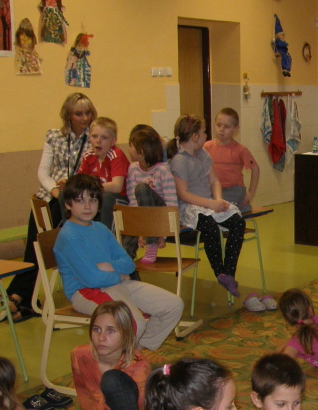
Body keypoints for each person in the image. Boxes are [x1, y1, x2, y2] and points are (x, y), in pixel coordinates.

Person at [54, 174, 184, 351]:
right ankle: (122, 360)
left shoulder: (100, 228)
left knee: (173, 306)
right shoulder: (68, 236)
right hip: (87, 291)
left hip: (114, 284)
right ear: (68, 204)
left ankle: (134, 353)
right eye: (80, 200)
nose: (87, 206)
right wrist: (119, 276)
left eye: (93, 200)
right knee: (135, 322)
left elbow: (128, 264)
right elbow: (92, 279)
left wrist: (111, 267)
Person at [8, 92, 97, 321]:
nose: (85, 118)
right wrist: (55, 191)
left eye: (88, 113)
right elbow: (42, 172)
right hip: (51, 195)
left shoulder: (95, 138)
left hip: (76, 199)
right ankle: (23, 296)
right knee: (34, 244)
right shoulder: (54, 136)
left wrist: (67, 192)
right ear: (68, 115)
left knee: (41, 245)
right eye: (78, 114)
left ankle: (19, 295)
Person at [168, 114, 245, 299]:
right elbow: (183, 194)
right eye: (203, 132)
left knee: (238, 222)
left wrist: (218, 200)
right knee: (210, 228)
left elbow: (214, 181)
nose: (206, 136)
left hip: (209, 202)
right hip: (191, 206)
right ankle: (219, 272)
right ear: (195, 136)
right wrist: (211, 204)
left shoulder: (203, 154)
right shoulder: (180, 159)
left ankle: (228, 273)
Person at [70, 301, 151, 410]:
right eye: (96, 329)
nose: (101, 337)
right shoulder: (80, 355)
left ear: (126, 334)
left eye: (111, 331)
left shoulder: (138, 366)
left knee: (111, 380)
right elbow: (86, 401)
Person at [123, 125, 177, 263]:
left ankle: (151, 243)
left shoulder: (163, 170)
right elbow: (133, 202)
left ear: (141, 152)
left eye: (131, 146)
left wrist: (163, 234)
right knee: (127, 239)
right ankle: (125, 268)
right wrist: (141, 230)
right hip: (142, 216)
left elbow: (171, 204)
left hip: (160, 214)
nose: (128, 150)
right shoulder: (133, 169)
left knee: (142, 188)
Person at [76, 116, 130, 232]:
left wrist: (92, 188)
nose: (98, 141)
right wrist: (68, 184)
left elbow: (117, 186)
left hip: (120, 199)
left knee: (106, 197)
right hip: (97, 196)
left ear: (113, 141)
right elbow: (79, 182)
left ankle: (105, 236)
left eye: (104, 137)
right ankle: (75, 235)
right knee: (68, 194)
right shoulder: (89, 155)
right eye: (94, 136)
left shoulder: (116, 155)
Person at [204, 108, 260, 213]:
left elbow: (255, 169)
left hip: (233, 189)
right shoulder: (207, 146)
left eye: (226, 127)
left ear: (236, 129)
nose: (221, 129)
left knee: (219, 207)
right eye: (218, 125)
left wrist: (250, 193)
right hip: (214, 189)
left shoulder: (241, 150)